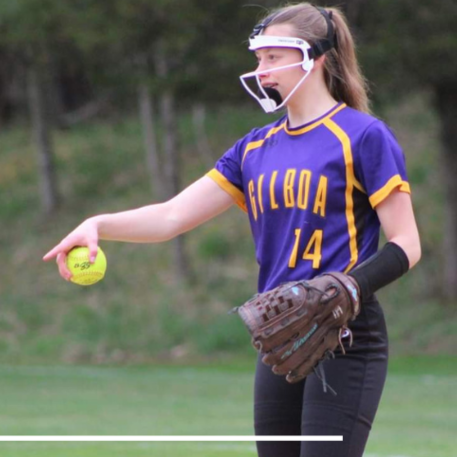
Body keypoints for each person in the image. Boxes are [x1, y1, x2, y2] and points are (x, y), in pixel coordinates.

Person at [43, 3, 421, 456]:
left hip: (346, 337)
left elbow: (407, 244)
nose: (261, 70)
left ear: (315, 57)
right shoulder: (254, 148)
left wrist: (346, 289)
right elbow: (170, 217)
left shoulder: (362, 136)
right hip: (281, 335)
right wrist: (97, 224)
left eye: (273, 57)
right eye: (258, 58)